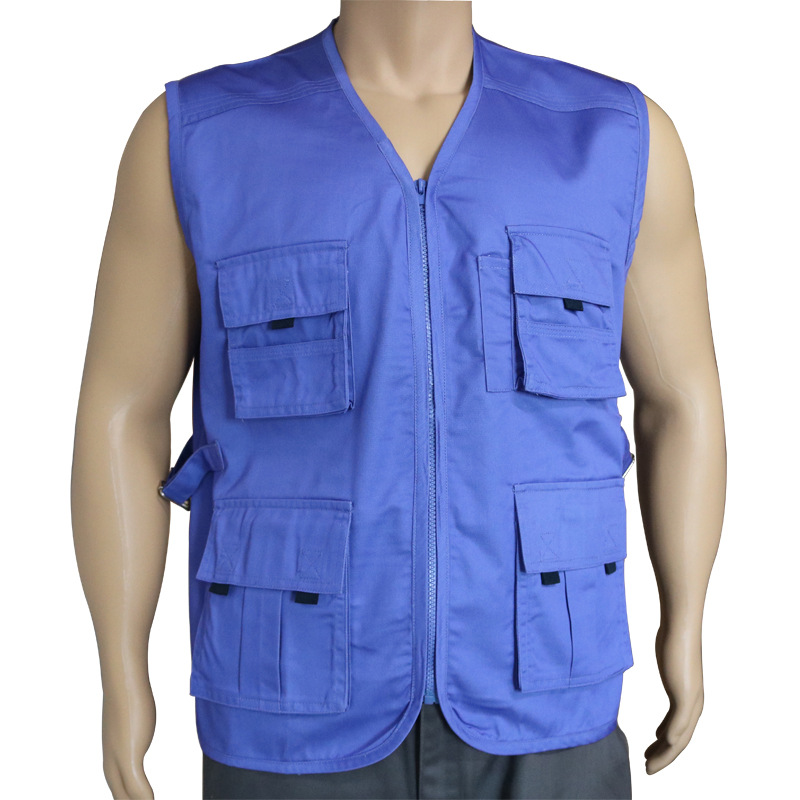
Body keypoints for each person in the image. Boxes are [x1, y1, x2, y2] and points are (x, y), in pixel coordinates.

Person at [72, 2, 725, 798]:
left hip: (549, 688)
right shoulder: (199, 136)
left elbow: (681, 402)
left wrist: (685, 621)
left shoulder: (616, 140)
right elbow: (123, 413)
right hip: (289, 701)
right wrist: (121, 672)